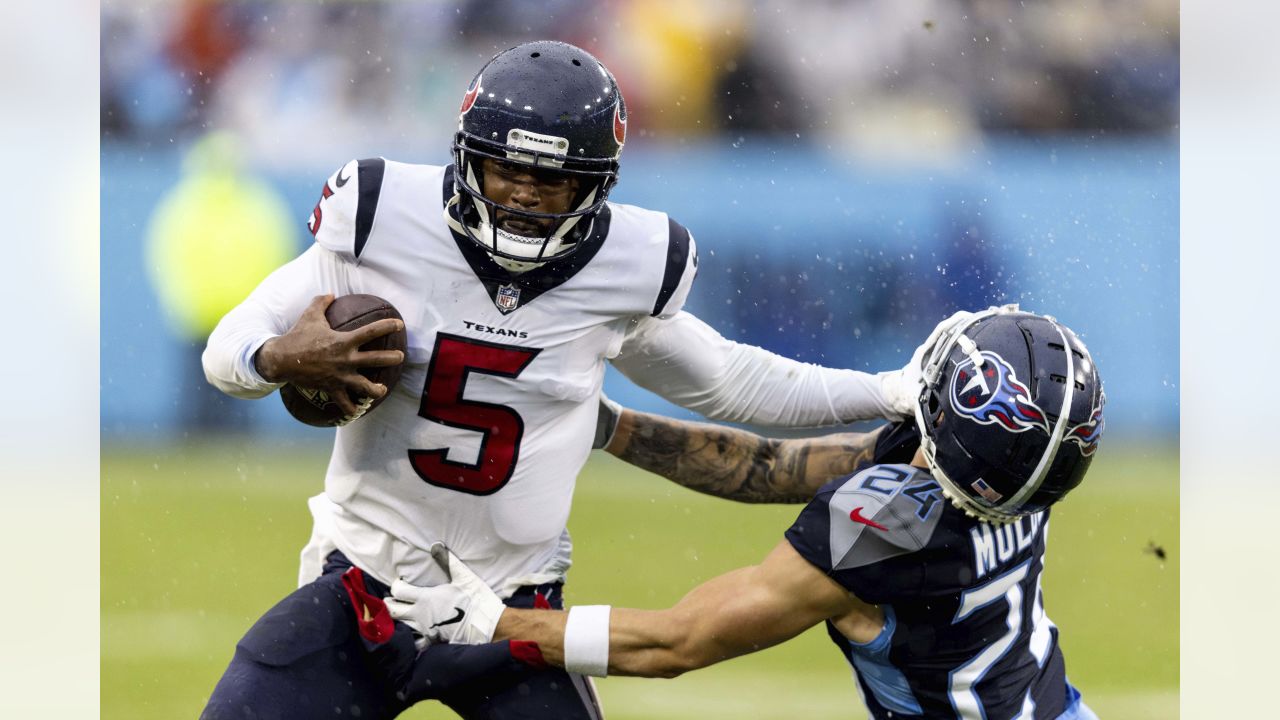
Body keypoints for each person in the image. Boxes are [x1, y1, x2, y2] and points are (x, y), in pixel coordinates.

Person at [200, 40, 960, 719]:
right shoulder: (379, 218)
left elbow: (731, 382)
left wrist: (891, 390)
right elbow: (226, 349)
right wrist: (274, 361)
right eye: (506, 169)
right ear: (467, 156)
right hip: (362, 591)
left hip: (516, 614)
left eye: (552, 180)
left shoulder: (625, 268)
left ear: (596, 185)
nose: (525, 194)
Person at [388, 307, 1106, 720]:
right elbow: (768, 470)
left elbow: (675, 643)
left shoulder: (881, 528)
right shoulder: (1005, 476)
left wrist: (491, 624)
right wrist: (604, 427)